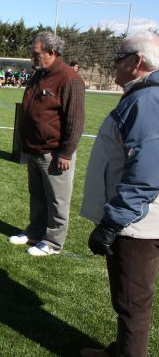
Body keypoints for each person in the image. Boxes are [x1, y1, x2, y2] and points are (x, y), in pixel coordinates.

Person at [79, 32, 159, 357]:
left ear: (137, 61)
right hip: (139, 219)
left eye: (120, 56)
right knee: (129, 300)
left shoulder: (146, 100)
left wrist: (112, 223)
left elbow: (147, 172)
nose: (114, 62)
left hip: (137, 225)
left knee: (132, 304)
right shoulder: (144, 96)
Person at [9, 32, 85, 256]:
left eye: (37, 54)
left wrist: (66, 153)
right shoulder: (38, 75)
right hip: (34, 149)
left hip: (54, 153)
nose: (33, 58)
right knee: (37, 194)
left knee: (57, 200)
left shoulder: (70, 79)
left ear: (51, 53)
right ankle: (35, 231)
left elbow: (75, 119)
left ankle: (53, 242)